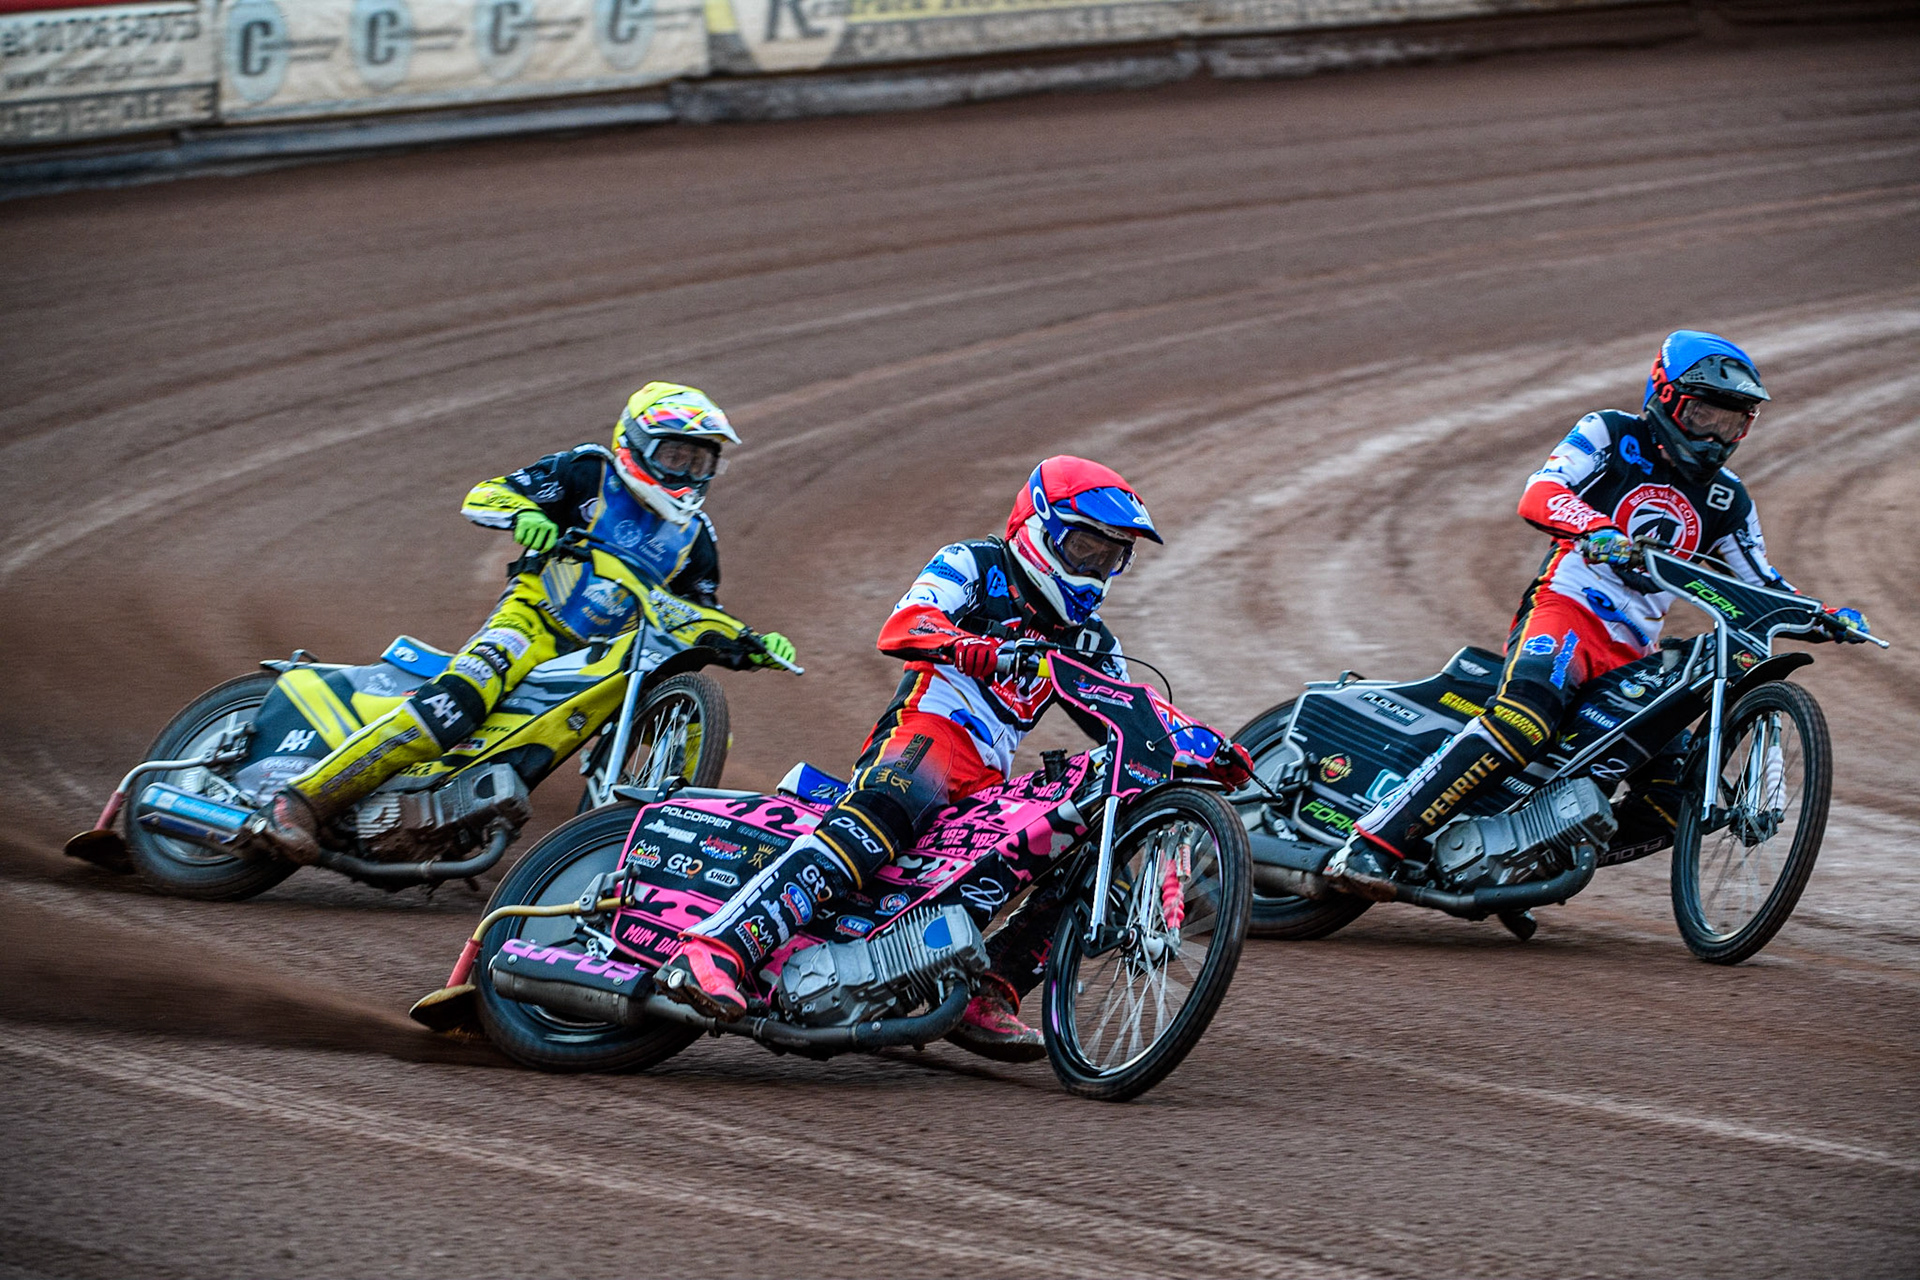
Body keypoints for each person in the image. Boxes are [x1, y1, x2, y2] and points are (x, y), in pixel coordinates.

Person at [656, 456, 1251, 1060]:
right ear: (1039, 528)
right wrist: (980, 650)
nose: (1094, 570)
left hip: (990, 782)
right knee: (887, 811)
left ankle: (990, 989)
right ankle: (718, 946)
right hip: (925, 734)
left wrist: (1210, 748)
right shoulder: (974, 562)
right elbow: (903, 625)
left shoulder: (1093, 641)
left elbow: (1130, 713)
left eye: (1110, 557)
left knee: (1095, 832)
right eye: (1084, 549)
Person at [1326, 331, 1872, 892]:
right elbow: (1541, 491)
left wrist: (1822, 614)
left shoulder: (1728, 499)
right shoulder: (1610, 432)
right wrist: (1596, 529)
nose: (1715, 436)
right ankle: (1372, 843)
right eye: (1703, 414)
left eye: (1732, 422)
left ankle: (1525, 859)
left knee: (1671, 797)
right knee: (1523, 720)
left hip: (1634, 655)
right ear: (1664, 396)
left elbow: (1763, 584)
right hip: (1565, 610)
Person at [243, 382, 795, 863]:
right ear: (638, 445)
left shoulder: (697, 540)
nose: (688, 473)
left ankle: (465, 823)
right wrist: (526, 513)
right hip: (529, 624)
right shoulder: (588, 471)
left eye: (701, 462)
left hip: (599, 660)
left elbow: (699, 612)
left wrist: (745, 643)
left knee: (557, 740)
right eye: (677, 456)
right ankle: (302, 800)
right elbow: (488, 492)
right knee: (459, 702)